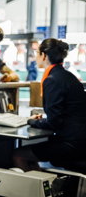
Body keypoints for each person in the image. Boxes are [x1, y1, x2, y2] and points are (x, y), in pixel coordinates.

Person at [13, 38, 86, 171]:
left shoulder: (52, 80)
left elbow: (53, 122)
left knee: (18, 155)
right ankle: (42, 187)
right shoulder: (68, 76)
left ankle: (38, 191)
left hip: (70, 144)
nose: (36, 57)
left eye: (37, 54)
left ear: (44, 55)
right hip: (80, 141)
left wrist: (31, 121)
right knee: (32, 153)